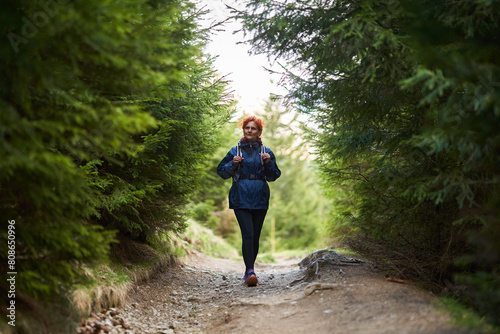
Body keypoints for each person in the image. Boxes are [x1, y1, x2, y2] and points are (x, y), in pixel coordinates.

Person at [217, 116, 281, 286]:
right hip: (241, 197)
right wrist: (232, 164)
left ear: (259, 132)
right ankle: (250, 271)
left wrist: (268, 162)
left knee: (256, 236)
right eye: (247, 128)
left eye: (253, 128)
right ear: (243, 130)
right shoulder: (235, 151)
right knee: (248, 234)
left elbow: (273, 176)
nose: (250, 131)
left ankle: (250, 269)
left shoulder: (266, 151)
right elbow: (222, 172)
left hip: (260, 198)